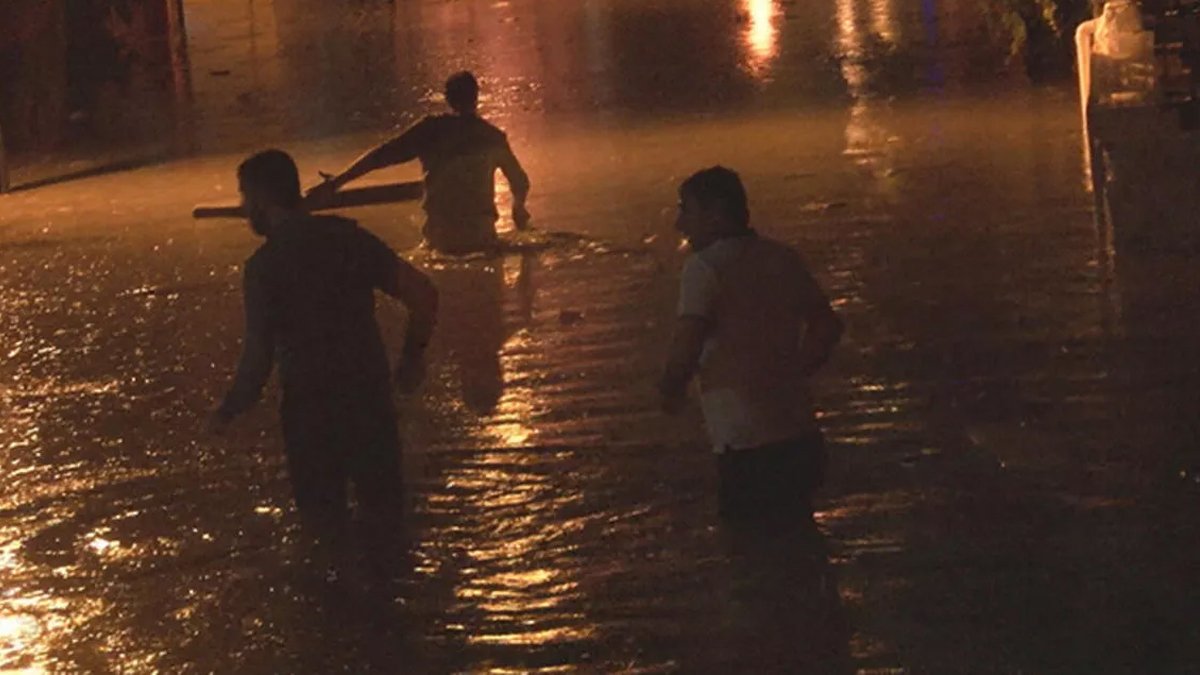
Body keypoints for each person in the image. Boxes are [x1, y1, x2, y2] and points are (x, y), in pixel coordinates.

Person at [209, 149, 438, 578]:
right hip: (370, 402)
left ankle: (336, 626)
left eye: (244, 198)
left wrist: (228, 410)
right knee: (389, 530)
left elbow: (258, 360)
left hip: (311, 414)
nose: (243, 210)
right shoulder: (349, 240)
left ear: (260, 199)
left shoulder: (264, 268)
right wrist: (411, 360)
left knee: (325, 539)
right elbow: (423, 294)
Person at [659, 166, 843, 524]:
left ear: (716, 213)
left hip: (745, 442)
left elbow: (688, 342)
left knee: (751, 549)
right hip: (799, 432)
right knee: (801, 539)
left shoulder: (704, 268)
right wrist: (792, 373)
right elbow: (827, 325)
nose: (680, 224)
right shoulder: (782, 257)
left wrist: (669, 389)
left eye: (687, 210)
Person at [308, 71, 531, 255]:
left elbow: (380, 157)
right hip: (483, 238)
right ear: (476, 97)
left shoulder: (430, 130)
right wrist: (518, 207)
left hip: (442, 241)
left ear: (447, 99)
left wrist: (337, 182)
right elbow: (520, 181)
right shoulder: (493, 137)